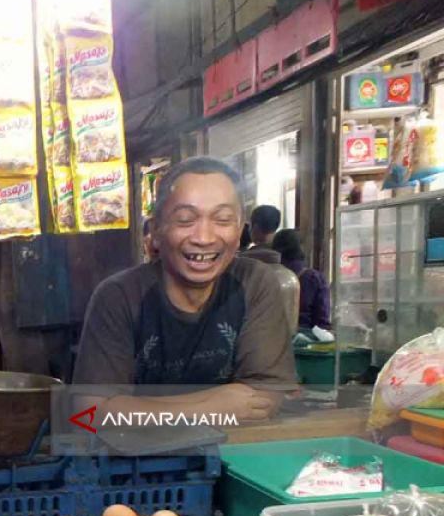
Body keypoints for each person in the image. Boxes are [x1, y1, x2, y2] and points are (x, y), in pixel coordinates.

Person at [73, 156, 296, 422]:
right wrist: (213, 407)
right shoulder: (119, 296)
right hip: (139, 459)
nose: (204, 238)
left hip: (229, 457)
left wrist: (129, 409)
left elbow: (265, 400)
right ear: (156, 231)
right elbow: (88, 414)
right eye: (185, 220)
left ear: (239, 231)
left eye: (222, 219)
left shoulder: (255, 282)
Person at [272, 228, 331, 331]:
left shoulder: (267, 275)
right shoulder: (314, 278)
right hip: (306, 341)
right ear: (300, 248)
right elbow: (322, 321)